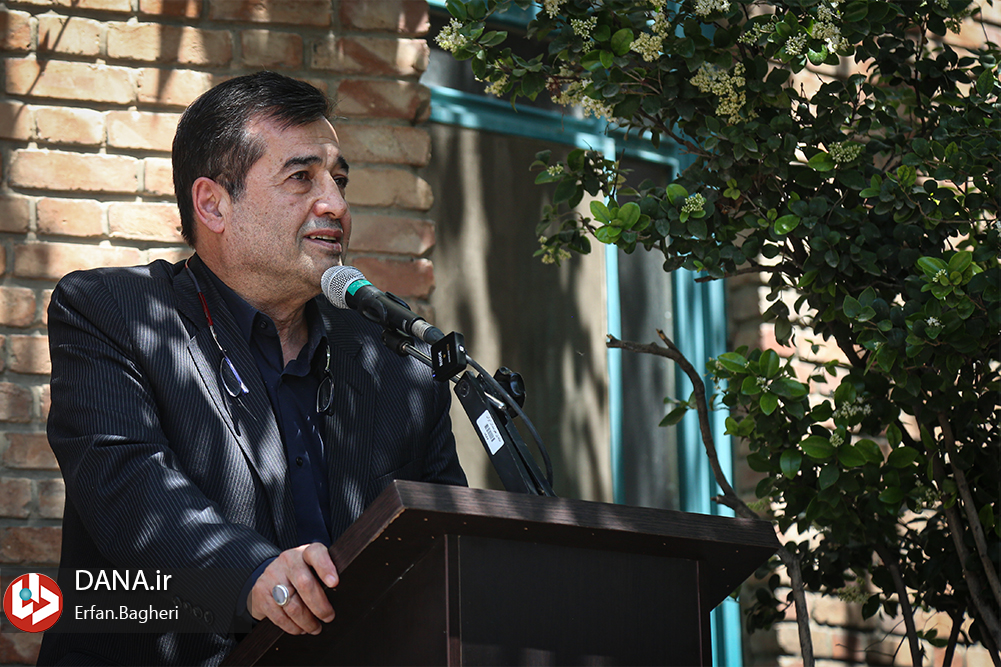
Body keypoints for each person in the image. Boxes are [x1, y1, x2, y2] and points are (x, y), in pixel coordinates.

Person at [37, 71, 466, 666]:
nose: (337, 206)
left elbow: (445, 546)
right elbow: (130, 490)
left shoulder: (396, 360)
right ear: (212, 204)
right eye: (301, 177)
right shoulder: (112, 313)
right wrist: (253, 575)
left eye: (339, 181)